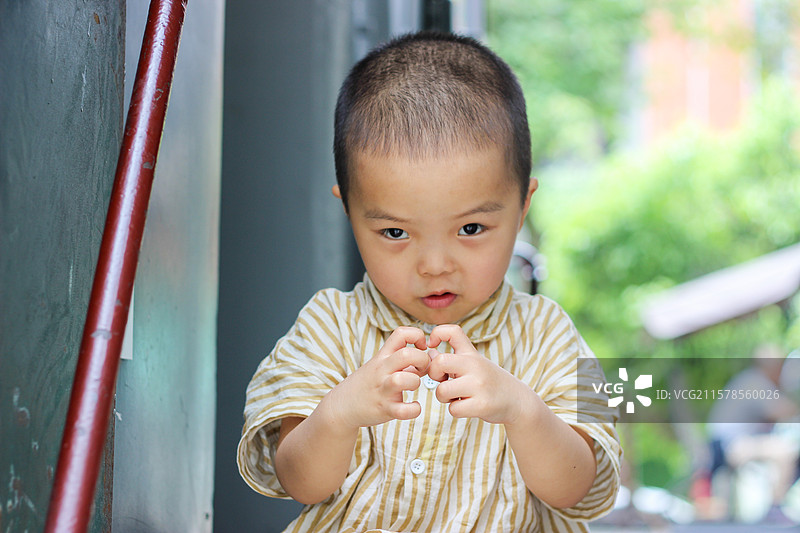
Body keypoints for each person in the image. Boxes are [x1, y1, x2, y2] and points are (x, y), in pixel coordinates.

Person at [237, 31, 621, 533]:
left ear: (523, 206)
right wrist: (340, 413)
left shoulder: (547, 332)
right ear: (350, 214)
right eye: (395, 232)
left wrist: (522, 409)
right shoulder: (329, 325)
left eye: (471, 229)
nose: (435, 265)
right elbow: (300, 483)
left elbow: (578, 488)